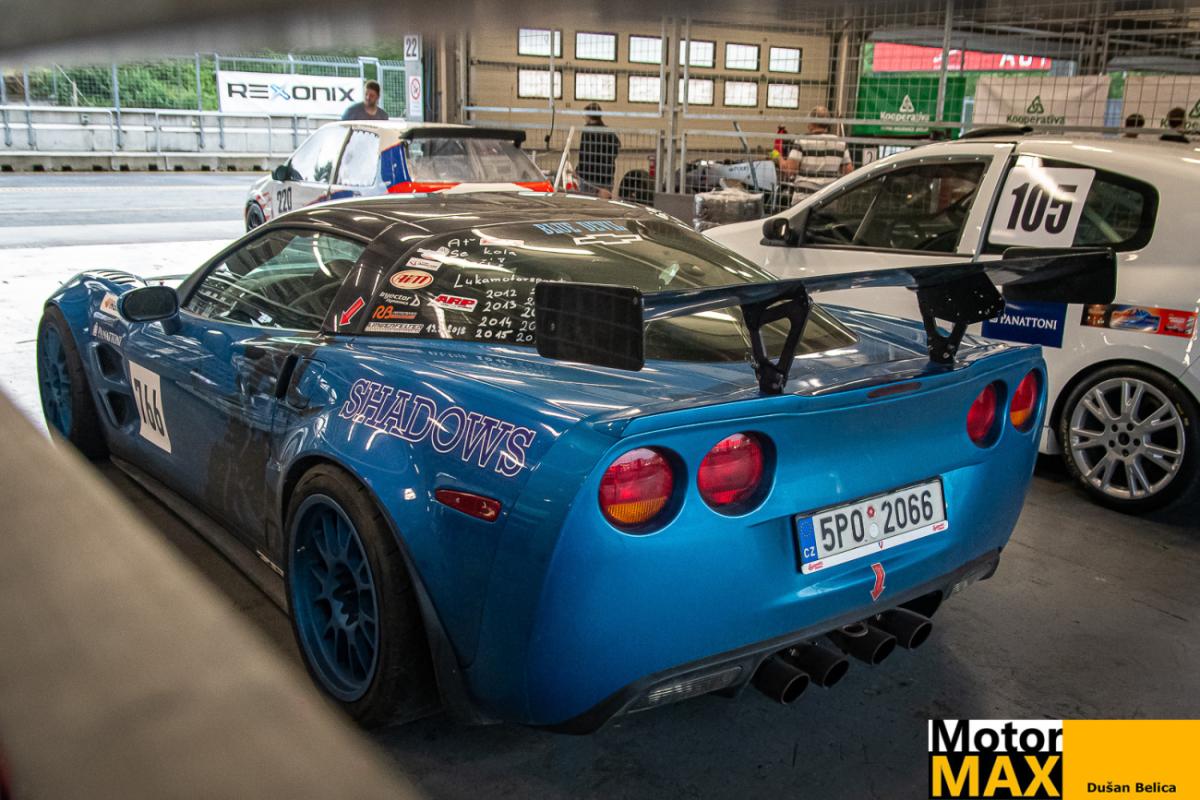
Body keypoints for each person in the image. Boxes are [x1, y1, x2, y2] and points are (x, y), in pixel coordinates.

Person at [777, 106, 853, 201]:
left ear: (812, 122)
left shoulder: (802, 141)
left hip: (804, 201)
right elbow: (848, 172)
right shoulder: (840, 143)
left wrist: (778, 156)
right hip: (829, 199)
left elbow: (789, 170)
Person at [576, 103, 620, 198]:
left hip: (590, 178)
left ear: (590, 116)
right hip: (607, 177)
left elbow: (586, 155)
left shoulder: (587, 132)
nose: (583, 117)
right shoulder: (609, 132)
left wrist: (578, 171)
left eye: (585, 115)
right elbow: (616, 148)